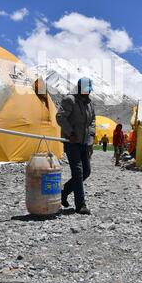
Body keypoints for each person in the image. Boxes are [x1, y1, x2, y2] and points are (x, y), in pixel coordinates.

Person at [56, 77, 95, 215]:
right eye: (85, 90)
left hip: (84, 142)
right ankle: (80, 205)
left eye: (89, 90)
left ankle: (64, 192)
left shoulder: (89, 104)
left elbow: (92, 121)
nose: (87, 93)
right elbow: (60, 117)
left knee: (86, 172)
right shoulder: (70, 100)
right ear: (79, 89)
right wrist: (70, 133)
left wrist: (91, 135)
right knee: (78, 172)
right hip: (71, 142)